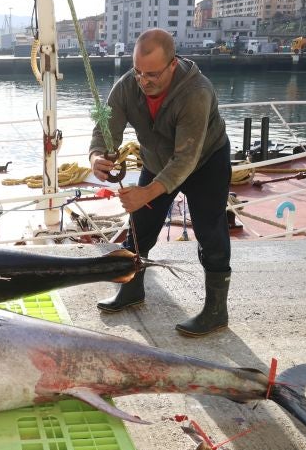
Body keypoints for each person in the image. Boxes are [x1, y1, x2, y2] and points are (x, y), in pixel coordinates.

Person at [89, 28, 232, 337]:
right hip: (157, 161)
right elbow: (105, 127)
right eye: (138, 71)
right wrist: (97, 156)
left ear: (172, 64)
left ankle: (216, 311)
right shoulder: (128, 86)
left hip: (205, 162)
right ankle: (132, 290)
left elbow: (185, 160)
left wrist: (146, 193)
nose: (143, 80)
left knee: (211, 233)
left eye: (152, 74)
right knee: (139, 228)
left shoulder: (196, 92)